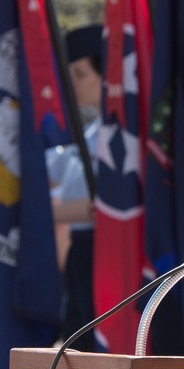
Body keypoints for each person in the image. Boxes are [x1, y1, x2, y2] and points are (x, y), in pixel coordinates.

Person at [51, 24, 102, 349]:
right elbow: (44, 168)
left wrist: (39, 213)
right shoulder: (90, 133)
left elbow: (97, 208)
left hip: (102, 255)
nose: (73, 83)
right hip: (80, 255)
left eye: (80, 73)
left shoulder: (116, 137)